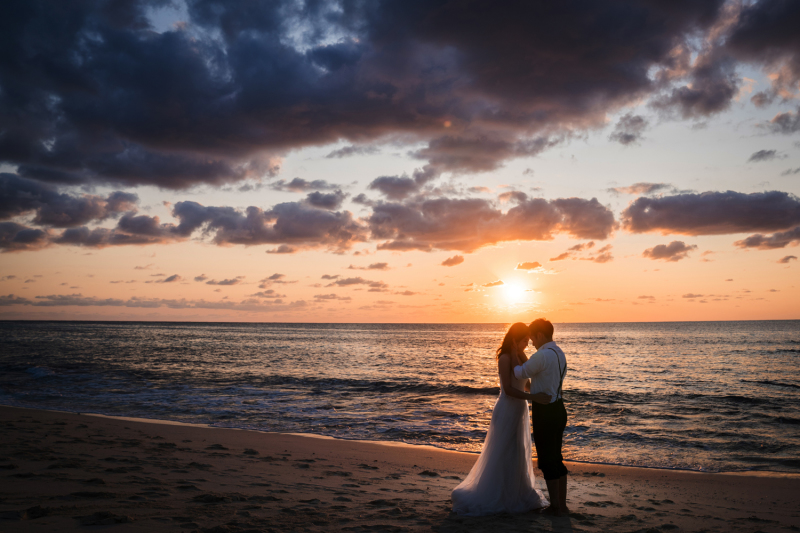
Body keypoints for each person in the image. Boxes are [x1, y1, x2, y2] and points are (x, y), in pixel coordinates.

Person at [451, 322, 551, 516]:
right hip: (507, 408)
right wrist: (532, 398)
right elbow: (508, 389)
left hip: (520, 409)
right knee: (504, 450)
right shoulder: (504, 358)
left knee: (518, 450)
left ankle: (517, 492)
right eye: (523, 341)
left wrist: (540, 391)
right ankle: (498, 494)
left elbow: (527, 385)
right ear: (514, 339)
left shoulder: (522, 356)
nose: (526, 345)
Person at [514, 318, 569, 516]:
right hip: (559, 408)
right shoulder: (559, 353)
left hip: (545, 411)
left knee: (546, 461)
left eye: (533, 338)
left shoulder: (542, 354)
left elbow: (520, 372)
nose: (532, 343)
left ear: (540, 335)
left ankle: (555, 507)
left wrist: (513, 355)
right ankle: (562, 505)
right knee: (556, 457)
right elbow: (537, 377)